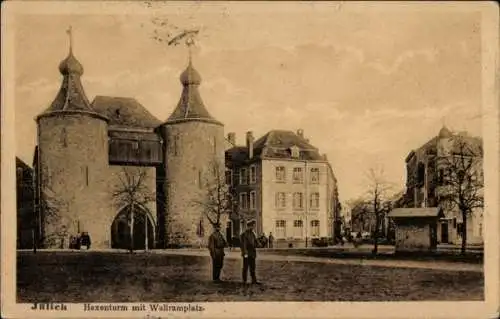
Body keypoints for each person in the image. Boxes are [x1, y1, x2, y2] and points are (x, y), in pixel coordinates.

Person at [240, 220, 259, 284]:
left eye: (253, 226)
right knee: (245, 267)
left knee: (253, 267)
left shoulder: (253, 233)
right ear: (249, 226)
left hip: (252, 253)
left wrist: (259, 244)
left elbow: (255, 242)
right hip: (247, 253)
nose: (253, 227)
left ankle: (254, 280)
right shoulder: (244, 234)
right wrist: (245, 253)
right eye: (252, 226)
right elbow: (243, 245)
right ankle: (244, 280)